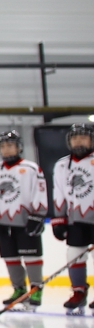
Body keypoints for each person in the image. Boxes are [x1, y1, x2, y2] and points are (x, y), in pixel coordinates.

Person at [0, 130, 48, 309]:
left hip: (26, 219)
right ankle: (18, 289)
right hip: (3, 220)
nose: (6, 150)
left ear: (19, 147)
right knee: (10, 257)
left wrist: (38, 215)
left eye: (10, 146)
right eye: (3, 146)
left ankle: (35, 289)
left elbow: (40, 191)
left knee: (31, 256)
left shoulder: (31, 168)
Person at [53, 123, 94, 312]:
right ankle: (79, 291)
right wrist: (59, 219)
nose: (78, 141)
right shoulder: (62, 165)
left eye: (83, 137)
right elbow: (59, 193)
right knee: (74, 255)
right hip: (76, 219)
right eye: (75, 138)